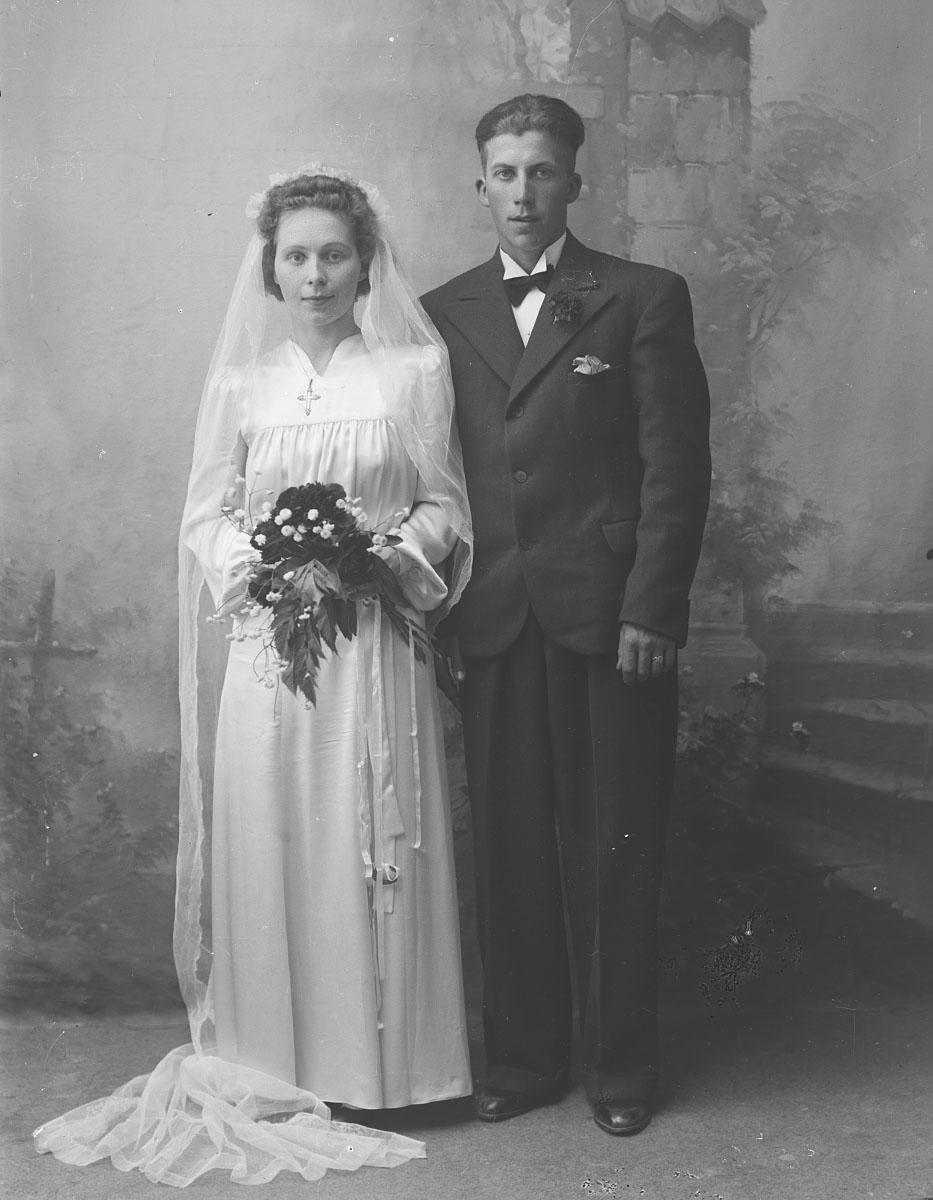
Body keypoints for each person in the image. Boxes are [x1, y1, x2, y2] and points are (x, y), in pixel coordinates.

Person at [33, 168, 474, 1186]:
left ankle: (395, 1069)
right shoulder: (244, 385)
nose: (315, 274)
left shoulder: (412, 373)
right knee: (278, 833)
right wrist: (269, 573)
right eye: (296, 256)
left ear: (365, 263)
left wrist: (381, 559)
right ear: (270, 270)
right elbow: (206, 512)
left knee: (368, 832)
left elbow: (445, 504)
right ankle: (280, 1064)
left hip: (373, 641)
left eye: (333, 254)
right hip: (275, 649)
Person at [421, 94, 711, 1138]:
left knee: (614, 846)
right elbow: (434, 474)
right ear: (480, 184)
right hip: (494, 616)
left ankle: (620, 1067)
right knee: (507, 849)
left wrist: (653, 609)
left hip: (610, 619)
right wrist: (442, 610)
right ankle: (525, 1059)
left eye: (541, 171)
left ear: (575, 182)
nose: (523, 192)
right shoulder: (439, 311)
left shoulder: (641, 296)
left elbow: (676, 468)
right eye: (505, 173)